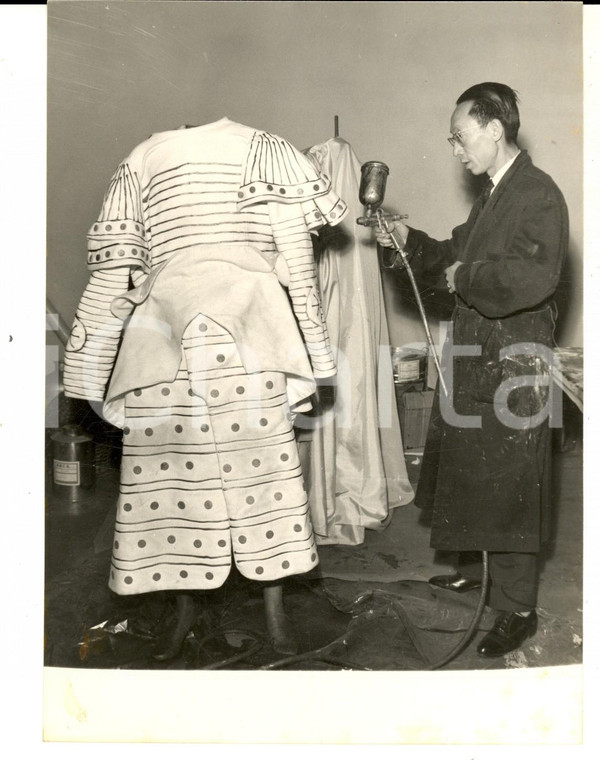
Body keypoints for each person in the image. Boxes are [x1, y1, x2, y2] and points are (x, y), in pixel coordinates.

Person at [63, 117, 347, 660]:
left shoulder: (144, 155)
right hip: (216, 332)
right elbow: (297, 265)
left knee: (208, 483)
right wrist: (312, 344)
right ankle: (224, 617)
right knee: (222, 482)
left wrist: (89, 364)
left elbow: (114, 275)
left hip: (211, 332)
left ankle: (259, 616)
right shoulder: (265, 148)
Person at [375, 83, 569, 658]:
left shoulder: (537, 195)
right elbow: (453, 255)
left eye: (460, 137)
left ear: (493, 128)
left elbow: (531, 279)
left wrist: (463, 278)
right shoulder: (492, 197)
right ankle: (476, 569)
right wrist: (407, 240)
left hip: (515, 360)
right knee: (468, 468)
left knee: (511, 483)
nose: (455, 149)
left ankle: (517, 608)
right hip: (477, 353)